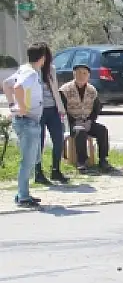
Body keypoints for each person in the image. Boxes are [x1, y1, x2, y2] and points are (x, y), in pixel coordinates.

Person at [3, 42, 49, 207]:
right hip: (28, 122)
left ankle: (23, 192)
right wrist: (21, 108)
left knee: (34, 158)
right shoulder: (30, 73)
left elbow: (6, 85)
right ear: (42, 58)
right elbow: (17, 87)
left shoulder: (24, 69)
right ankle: (23, 196)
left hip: (29, 121)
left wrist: (11, 106)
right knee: (28, 161)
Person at [58, 63, 114, 174]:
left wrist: (90, 120)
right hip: (72, 122)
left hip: (87, 121)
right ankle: (81, 161)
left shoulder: (92, 90)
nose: (81, 76)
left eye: (84, 73)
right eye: (78, 73)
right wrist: (73, 121)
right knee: (81, 132)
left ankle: (103, 159)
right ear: (74, 74)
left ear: (88, 76)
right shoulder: (65, 90)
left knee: (102, 130)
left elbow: (97, 108)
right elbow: (62, 110)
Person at [34, 46, 69, 185]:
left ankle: (56, 170)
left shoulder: (51, 69)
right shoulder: (31, 71)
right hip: (38, 110)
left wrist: (60, 108)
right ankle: (38, 172)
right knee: (39, 142)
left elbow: (55, 90)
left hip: (53, 109)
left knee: (58, 139)